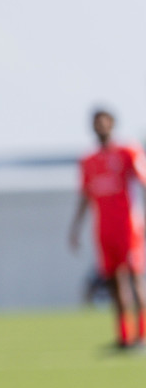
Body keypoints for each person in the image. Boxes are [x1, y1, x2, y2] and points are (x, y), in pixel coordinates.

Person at [69, 108, 146, 348]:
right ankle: (124, 337)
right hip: (104, 229)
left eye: (104, 123)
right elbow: (85, 195)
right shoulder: (88, 161)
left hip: (128, 227)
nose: (100, 127)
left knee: (135, 280)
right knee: (113, 283)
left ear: (112, 125)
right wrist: (75, 228)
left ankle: (142, 336)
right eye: (96, 123)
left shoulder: (127, 152)